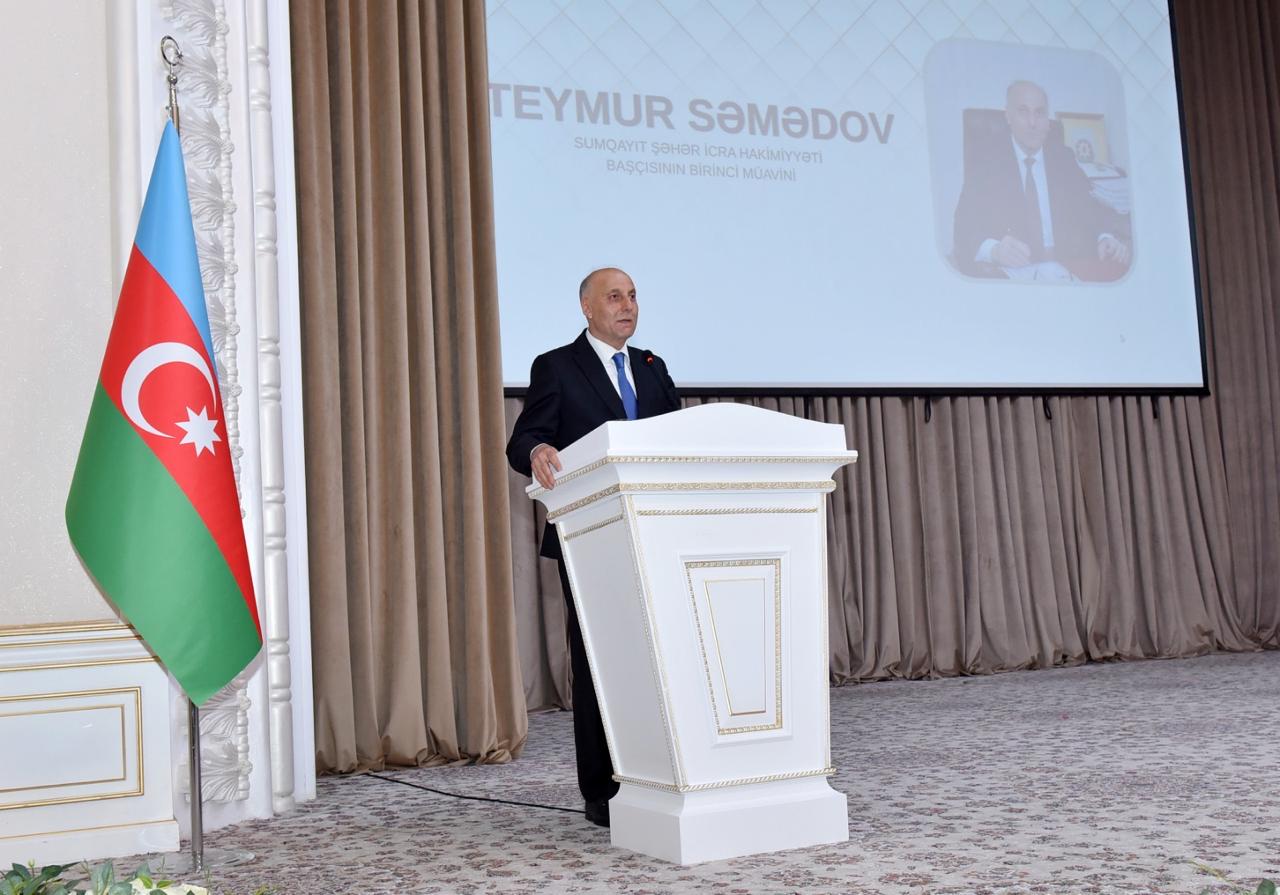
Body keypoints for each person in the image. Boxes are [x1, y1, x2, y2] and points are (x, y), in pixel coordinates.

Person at [505, 267, 680, 828]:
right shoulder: (557, 366)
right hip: (590, 534)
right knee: (600, 660)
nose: (627, 305)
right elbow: (524, 438)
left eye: (633, 296)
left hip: (656, 533)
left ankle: (664, 771)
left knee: (661, 655)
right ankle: (602, 789)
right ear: (587, 307)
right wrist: (536, 451)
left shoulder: (652, 367)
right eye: (614, 297)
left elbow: (677, 440)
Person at [953, 80, 1131, 282]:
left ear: (1047, 120)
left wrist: (1104, 237)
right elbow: (963, 227)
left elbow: (1089, 206)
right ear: (1008, 116)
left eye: (1039, 113)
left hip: (1065, 269)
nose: (1032, 122)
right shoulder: (987, 161)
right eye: (1023, 112)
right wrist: (994, 250)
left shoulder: (1063, 158)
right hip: (1016, 275)